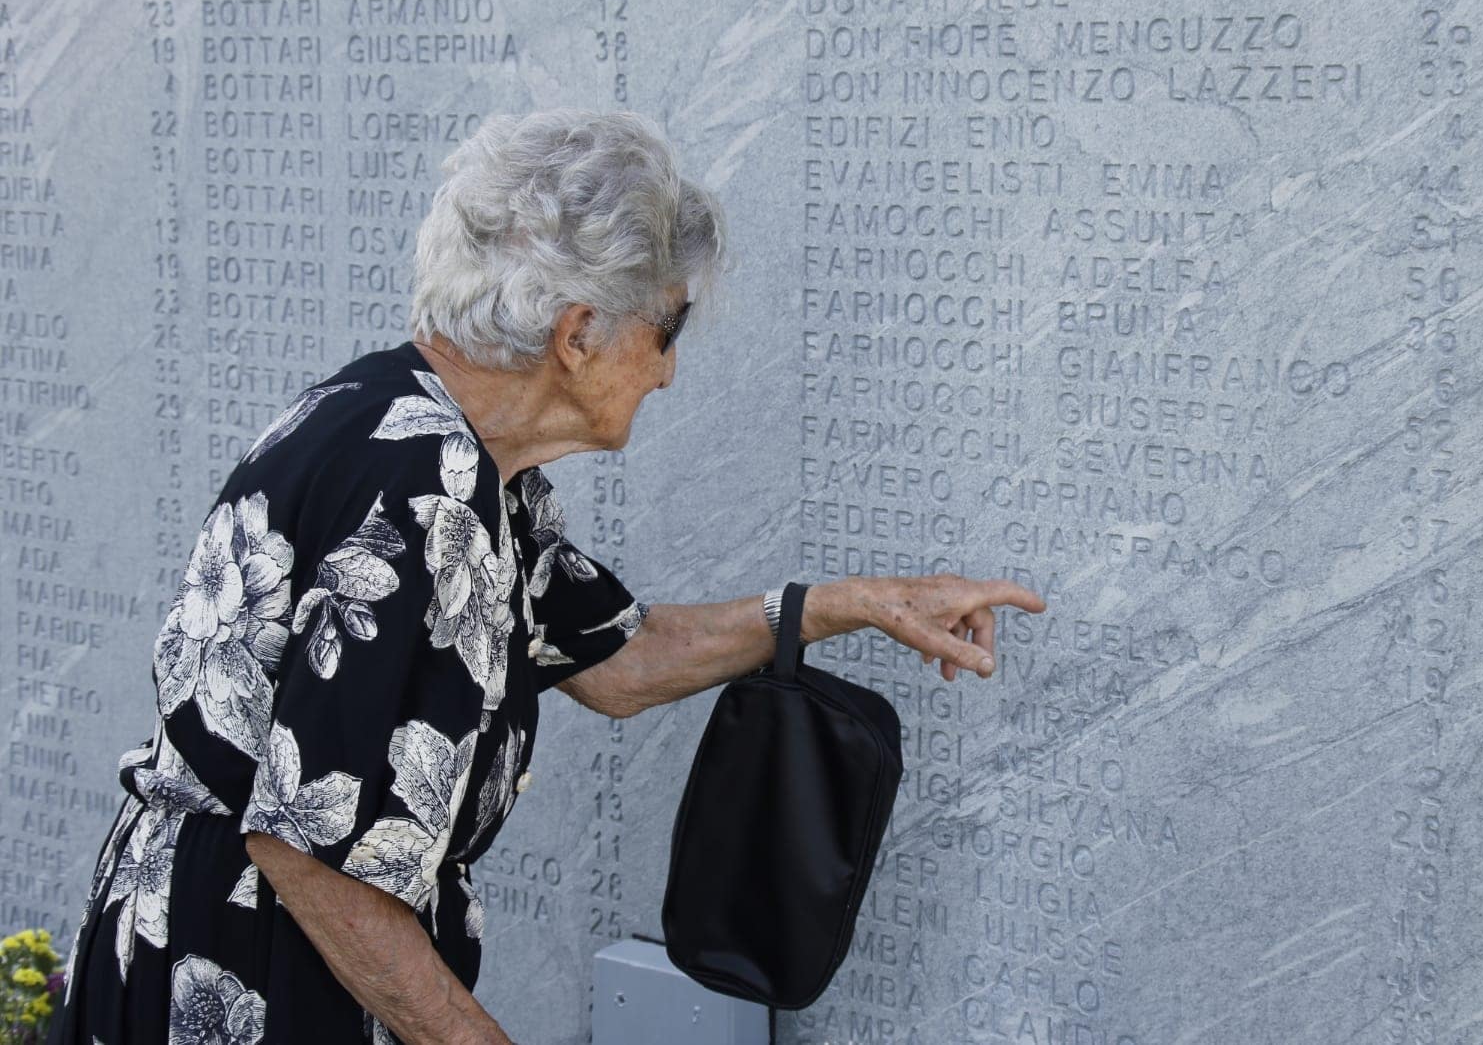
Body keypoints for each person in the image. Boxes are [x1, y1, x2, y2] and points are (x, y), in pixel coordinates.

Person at [47, 108, 1048, 1044]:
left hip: (228, 947)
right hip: (246, 983)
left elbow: (616, 655)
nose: (666, 371)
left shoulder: (440, 440)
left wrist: (857, 606)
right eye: (669, 330)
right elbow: (311, 855)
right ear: (578, 334)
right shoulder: (423, 485)